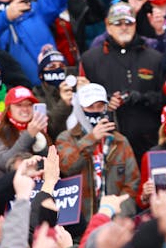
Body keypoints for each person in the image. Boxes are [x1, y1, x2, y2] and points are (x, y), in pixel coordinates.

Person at [80, 1, 166, 162]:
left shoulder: (154, 58)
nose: (124, 27)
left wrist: (140, 97)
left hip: (148, 141)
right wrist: (106, 101)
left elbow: (164, 99)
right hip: (108, 143)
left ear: (135, 25)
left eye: (128, 22)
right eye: (118, 23)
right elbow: (81, 103)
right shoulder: (90, 59)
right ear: (108, 26)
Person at [56, 83, 139, 221]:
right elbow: (67, 167)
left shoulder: (120, 141)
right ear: (79, 109)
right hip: (80, 223)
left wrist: (118, 216)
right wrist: (91, 139)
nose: (95, 110)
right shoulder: (66, 138)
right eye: (90, 107)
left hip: (114, 222)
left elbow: (132, 184)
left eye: (100, 106)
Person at [0, 86, 50, 179]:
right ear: (8, 109)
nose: (25, 109)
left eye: (29, 104)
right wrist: (29, 135)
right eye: (19, 105)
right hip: (9, 191)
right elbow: (3, 162)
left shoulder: (39, 130)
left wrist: (41, 148)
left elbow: (50, 165)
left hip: (38, 189)